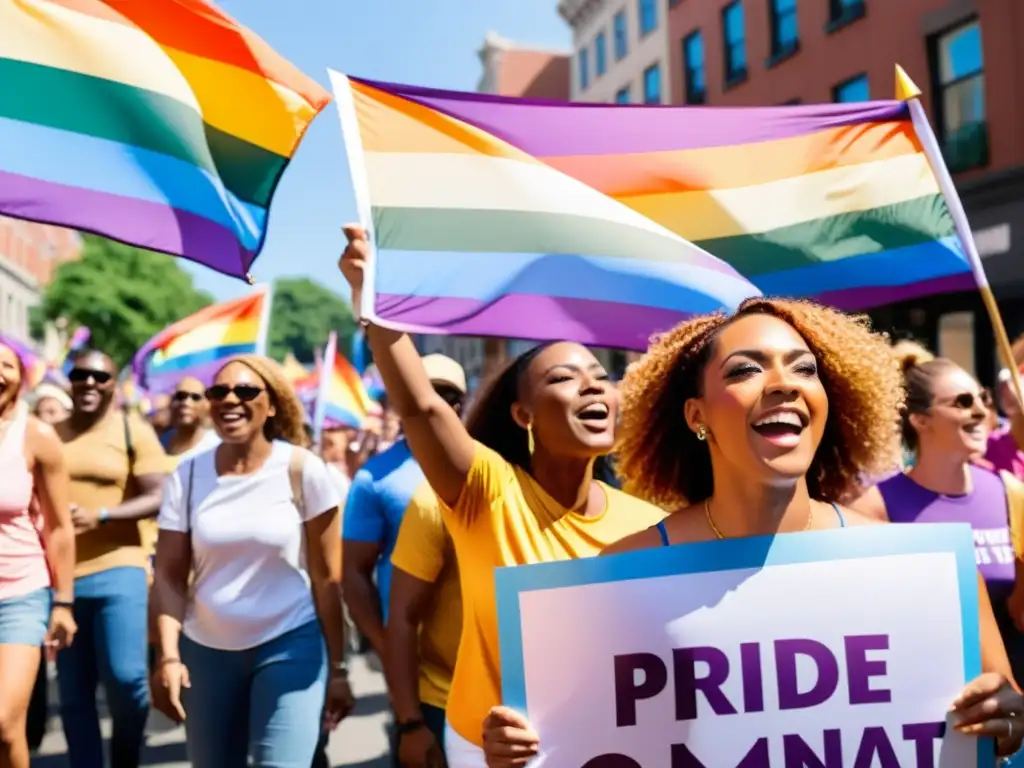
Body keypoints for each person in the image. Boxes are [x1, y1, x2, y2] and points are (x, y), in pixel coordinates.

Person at [481, 298, 1024, 766]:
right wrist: (520, 746)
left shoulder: (918, 570)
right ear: (697, 415)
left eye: (804, 369)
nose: (783, 384)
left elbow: (1001, 715)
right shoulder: (619, 577)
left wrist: (1006, 719)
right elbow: (575, 737)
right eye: (745, 370)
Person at [337, 225, 667, 768]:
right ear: (524, 415)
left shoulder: (649, 525)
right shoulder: (488, 491)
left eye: (601, 375)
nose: (592, 386)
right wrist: (371, 302)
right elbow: (423, 408)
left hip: (606, 741)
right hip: (488, 747)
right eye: (564, 377)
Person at [151, 355, 354, 767]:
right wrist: (168, 657)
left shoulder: (302, 470)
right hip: (206, 652)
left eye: (245, 391)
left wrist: (338, 668)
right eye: (219, 391)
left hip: (290, 645)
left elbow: (327, 578)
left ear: (273, 404)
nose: (230, 400)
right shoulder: (187, 476)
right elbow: (170, 576)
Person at [852, 353, 1024, 682]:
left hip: (1010, 696)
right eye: (962, 401)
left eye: (983, 398)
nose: (981, 411)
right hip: (924, 688)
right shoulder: (875, 507)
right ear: (920, 420)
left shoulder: (1010, 493)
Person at [55, 349, 168, 768]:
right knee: (73, 692)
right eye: (80, 374)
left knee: (126, 679)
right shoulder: (49, 433)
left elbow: (159, 495)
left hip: (120, 567)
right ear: (69, 379)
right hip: (60, 577)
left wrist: (101, 515)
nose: (88, 383)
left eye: (99, 377)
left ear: (112, 385)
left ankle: (125, 757)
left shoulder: (131, 430)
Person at [342, 355, 466, 662]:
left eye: (446, 397)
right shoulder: (375, 477)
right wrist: (388, 648)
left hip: (487, 650)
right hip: (416, 657)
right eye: (420, 394)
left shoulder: (494, 465)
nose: (433, 406)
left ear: (462, 405)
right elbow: (355, 571)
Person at [0, 341, 77, 768]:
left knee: (5, 724)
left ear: (22, 376)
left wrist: (63, 602)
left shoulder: (36, 436)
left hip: (19, 593)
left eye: (5, 365)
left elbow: (60, 527)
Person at [387, 484, 462, 767]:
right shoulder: (433, 503)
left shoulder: (608, 503)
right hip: (446, 709)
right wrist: (411, 724)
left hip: (552, 716)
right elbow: (402, 617)